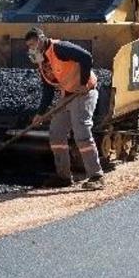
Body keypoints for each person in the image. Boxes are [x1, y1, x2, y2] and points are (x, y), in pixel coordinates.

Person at [25, 27, 105, 190]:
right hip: (67, 96)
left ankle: (96, 176)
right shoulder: (41, 60)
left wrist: (83, 83)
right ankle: (64, 177)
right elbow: (48, 88)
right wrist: (40, 113)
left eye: (33, 44)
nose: (31, 48)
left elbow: (86, 57)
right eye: (28, 46)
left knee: (81, 131)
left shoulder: (60, 48)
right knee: (56, 132)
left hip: (84, 93)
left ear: (41, 39)